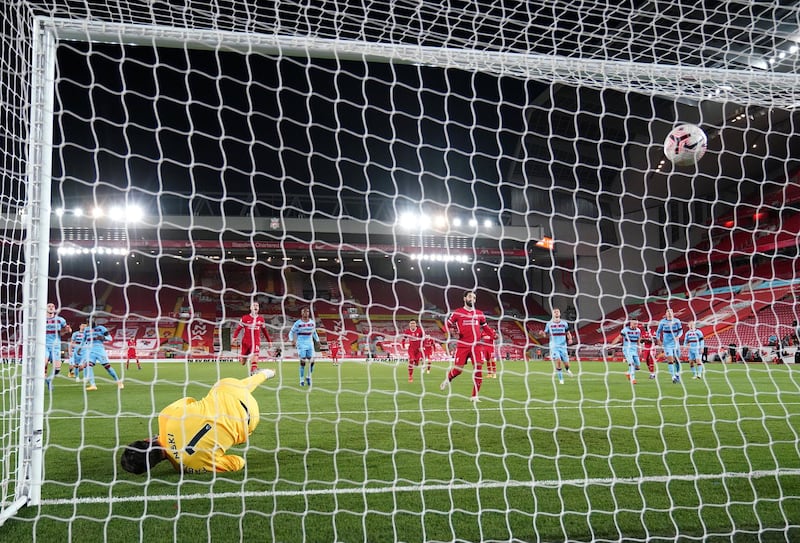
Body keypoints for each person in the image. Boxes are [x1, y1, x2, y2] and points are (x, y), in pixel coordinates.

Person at [120, 368, 276, 474]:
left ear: (153, 466)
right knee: (221, 389)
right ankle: (264, 374)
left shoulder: (188, 467)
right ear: (146, 439)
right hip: (231, 391)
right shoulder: (165, 418)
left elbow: (238, 462)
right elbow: (189, 400)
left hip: (250, 420)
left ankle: (261, 376)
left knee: (232, 431)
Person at [440, 291, 493, 402]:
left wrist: (493, 335)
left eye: (474, 297)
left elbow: (486, 327)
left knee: (478, 370)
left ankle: (474, 396)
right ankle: (448, 379)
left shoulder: (479, 313)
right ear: (464, 298)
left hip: (477, 346)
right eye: (470, 296)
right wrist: (452, 333)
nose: (472, 299)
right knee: (458, 370)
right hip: (463, 345)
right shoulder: (457, 312)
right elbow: (446, 325)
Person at [232, 301, 272, 376]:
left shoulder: (261, 319)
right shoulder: (245, 318)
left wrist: (269, 341)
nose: (256, 307)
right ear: (250, 308)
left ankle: (253, 370)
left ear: (259, 308)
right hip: (246, 342)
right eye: (254, 305)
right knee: (243, 362)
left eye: (257, 305)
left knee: (255, 354)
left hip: (256, 342)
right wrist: (234, 337)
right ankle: (245, 358)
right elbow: (238, 329)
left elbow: (265, 331)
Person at [83, 319, 124, 390]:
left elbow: (110, 338)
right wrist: (80, 349)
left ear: (95, 322)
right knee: (88, 366)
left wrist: (103, 337)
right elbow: (84, 340)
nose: (91, 323)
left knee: (107, 367)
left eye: (92, 321)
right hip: (90, 350)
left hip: (99, 350)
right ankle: (93, 385)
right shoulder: (86, 330)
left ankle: (118, 381)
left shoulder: (101, 328)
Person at [289, 307, 320, 387]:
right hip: (301, 343)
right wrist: (292, 340)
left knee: (312, 361)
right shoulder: (298, 323)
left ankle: (308, 377)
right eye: (304, 312)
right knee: (303, 362)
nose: (306, 313)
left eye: (307, 311)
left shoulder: (312, 323)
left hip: (310, 343)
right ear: (301, 313)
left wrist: (318, 340)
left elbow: (314, 333)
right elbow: (291, 332)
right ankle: (301, 380)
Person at [44, 302, 72, 391]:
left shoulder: (60, 320)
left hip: (55, 345)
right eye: (49, 306)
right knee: (43, 363)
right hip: (43, 345)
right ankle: (41, 381)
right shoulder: (41, 319)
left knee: (57, 368)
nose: (51, 307)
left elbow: (66, 331)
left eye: (53, 306)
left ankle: (49, 380)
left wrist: (68, 330)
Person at [542, 308, 574, 385]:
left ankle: (567, 369)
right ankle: (561, 379)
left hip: (563, 346)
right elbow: (545, 335)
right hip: (554, 346)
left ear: (560, 314)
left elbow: (568, 333)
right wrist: (542, 333)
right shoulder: (549, 324)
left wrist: (570, 339)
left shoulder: (564, 323)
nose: (556, 313)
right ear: (553, 314)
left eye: (557, 312)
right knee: (558, 361)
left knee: (566, 364)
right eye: (555, 312)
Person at [655, 308, 683, 384]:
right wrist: (658, 340)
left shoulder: (677, 321)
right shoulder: (662, 322)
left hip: (676, 343)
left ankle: (677, 374)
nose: (669, 313)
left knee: (677, 360)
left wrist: (678, 337)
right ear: (666, 314)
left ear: (673, 313)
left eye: (671, 312)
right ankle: (673, 377)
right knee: (670, 360)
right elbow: (658, 332)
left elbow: (681, 331)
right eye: (668, 312)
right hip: (667, 344)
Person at [610, 319, 641, 384]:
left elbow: (638, 340)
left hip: (634, 349)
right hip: (627, 349)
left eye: (636, 324)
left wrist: (639, 348)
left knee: (638, 367)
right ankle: (633, 379)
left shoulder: (638, 330)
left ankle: (628, 373)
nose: (636, 325)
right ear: (630, 323)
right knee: (631, 363)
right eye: (634, 323)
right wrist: (611, 345)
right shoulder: (625, 330)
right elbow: (619, 338)